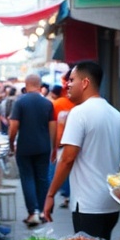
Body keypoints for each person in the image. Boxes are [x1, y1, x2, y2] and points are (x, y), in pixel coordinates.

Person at [42, 61, 120, 240]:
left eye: (72, 79)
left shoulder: (79, 113)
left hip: (88, 205)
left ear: (85, 83)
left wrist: (50, 194)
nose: (67, 84)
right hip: (111, 203)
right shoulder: (116, 115)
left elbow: (67, 158)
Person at [8, 73, 55, 227]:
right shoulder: (47, 103)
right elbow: (53, 127)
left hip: (24, 146)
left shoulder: (20, 102)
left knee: (27, 178)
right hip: (43, 146)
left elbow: (13, 126)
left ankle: (32, 213)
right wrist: (53, 146)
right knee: (42, 178)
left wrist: (11, 143)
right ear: (40, 85)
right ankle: (43, 212)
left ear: (26, 85)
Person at [51, 74, 76, 208]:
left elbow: (53, 128)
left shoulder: (57, 104)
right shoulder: (80, 103)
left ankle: (67, 195)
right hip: (76, 143)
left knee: (65, 169)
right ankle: (70, 195)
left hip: (63, 143)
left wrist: (54, 148)